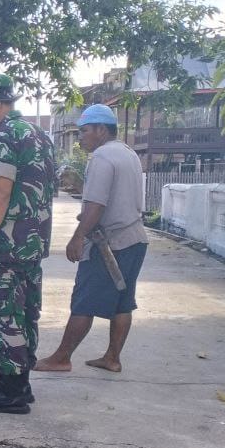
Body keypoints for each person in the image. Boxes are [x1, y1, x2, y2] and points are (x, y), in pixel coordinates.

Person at [0, 74, 57, 413]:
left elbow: (1, 191)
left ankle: (11, 390)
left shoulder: (4, 136)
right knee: (27, 310)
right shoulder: (38, 135)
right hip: (33, 242)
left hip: (8, 242)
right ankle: (19, 382)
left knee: (4, 313)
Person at [34, 104, 148, 374]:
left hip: (111, 243)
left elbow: (96, 205)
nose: (82, 137)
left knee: (84, 301)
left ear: (101, 129)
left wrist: (78, 237)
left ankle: (62, 357)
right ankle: (112, 357)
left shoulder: (102, 157)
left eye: (85, 131)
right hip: (135, 239)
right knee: (123, 301)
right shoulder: (128, 153)